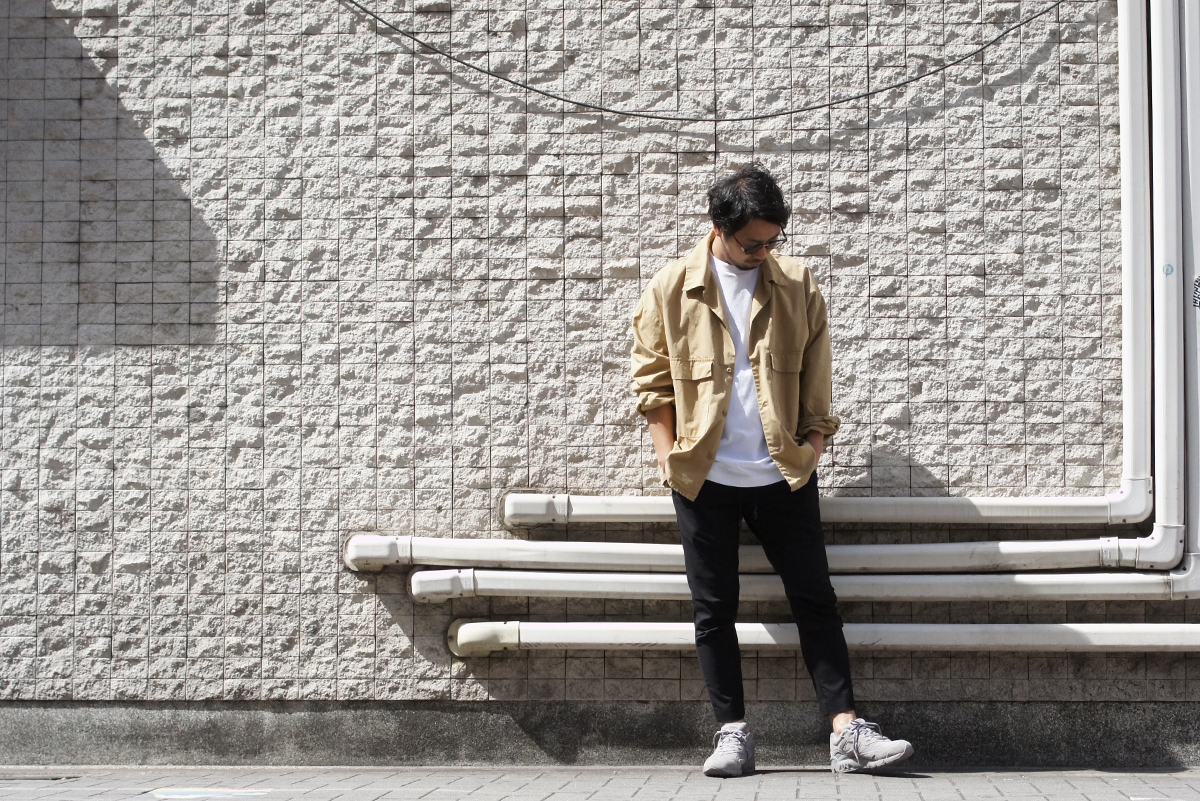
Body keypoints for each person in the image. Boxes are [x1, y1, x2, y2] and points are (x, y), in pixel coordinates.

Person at [629, 164, 914, 777]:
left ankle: (847, 732)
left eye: (772, 242)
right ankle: (732, 734)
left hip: (784, 474)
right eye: (752, 243)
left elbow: (817, 375)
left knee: (816, 601)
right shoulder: (671, 286)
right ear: (718, 228)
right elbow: (652, 382)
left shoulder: (796, 283)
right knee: (714, 609)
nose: (763, 253)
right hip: (703, 477)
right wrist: (668, 457)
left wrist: (812, 447)